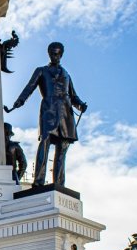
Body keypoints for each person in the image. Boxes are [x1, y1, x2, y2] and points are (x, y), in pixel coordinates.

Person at [10, 41, 88, 187]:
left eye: (57, 54)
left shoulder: (66, 75)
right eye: (52, 53)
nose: (55, 56)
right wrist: (20, 101)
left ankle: (59, 183)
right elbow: (29, 87)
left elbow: (73, 95)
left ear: (61, 55)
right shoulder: (41, 70)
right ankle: (38, 181)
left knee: (62, 149)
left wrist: (81, 104)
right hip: (49, 111)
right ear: (49, 54)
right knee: (44, 143)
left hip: (66, 114)